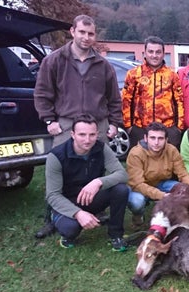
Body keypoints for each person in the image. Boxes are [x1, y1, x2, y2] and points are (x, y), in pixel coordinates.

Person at [34, 14, 122, 239]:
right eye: (82, 32)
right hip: (65, 123)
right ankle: (53, 215)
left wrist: (114, 123)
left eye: (91, 33)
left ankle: (94, 208)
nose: (86, 37)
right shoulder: (54, 60)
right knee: (61, 169)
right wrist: (49, 120)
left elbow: (113, 98)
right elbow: (43, 93)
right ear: (72, 31)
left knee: (96, 167)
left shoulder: (103, 65)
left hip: (97, 124)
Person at [45, 115, 129, 251]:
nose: (87, 140)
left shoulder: (101, 148)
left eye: (92, 135)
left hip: (90, 197)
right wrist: (78, 213)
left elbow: (122, 175)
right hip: (67, 202)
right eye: (82, 134)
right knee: (70, 228)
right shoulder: (56, 156)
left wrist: (98, 182)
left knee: (121, 189)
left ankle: (116, 234)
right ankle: (62, 227)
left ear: (97, 134)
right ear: (73, 134)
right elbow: (53, 195)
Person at [122, 36, 185, 148]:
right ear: (145, 53)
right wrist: (128, 126)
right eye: (151, 52)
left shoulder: (172, 75)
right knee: (141, 162)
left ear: (163, 54)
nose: (154, 55)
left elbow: (179, 102)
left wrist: (179, 128)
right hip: (140, 128)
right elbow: (126, 101)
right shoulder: (134, 74)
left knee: (167, 163)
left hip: (168, 128)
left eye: (158, 52)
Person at [126, 122, 189, 226]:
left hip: (163, 183)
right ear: (146, 138)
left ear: (166, 140)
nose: (156, 142)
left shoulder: (171, 150)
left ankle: (177, 218)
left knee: (183, 190)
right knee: (137, 202)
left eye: (160, 138)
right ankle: (138, 215)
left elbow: (182, 173)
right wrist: (162, 195)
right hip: (141, 187)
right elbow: (137, 184)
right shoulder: (135, 154)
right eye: (152, 138)